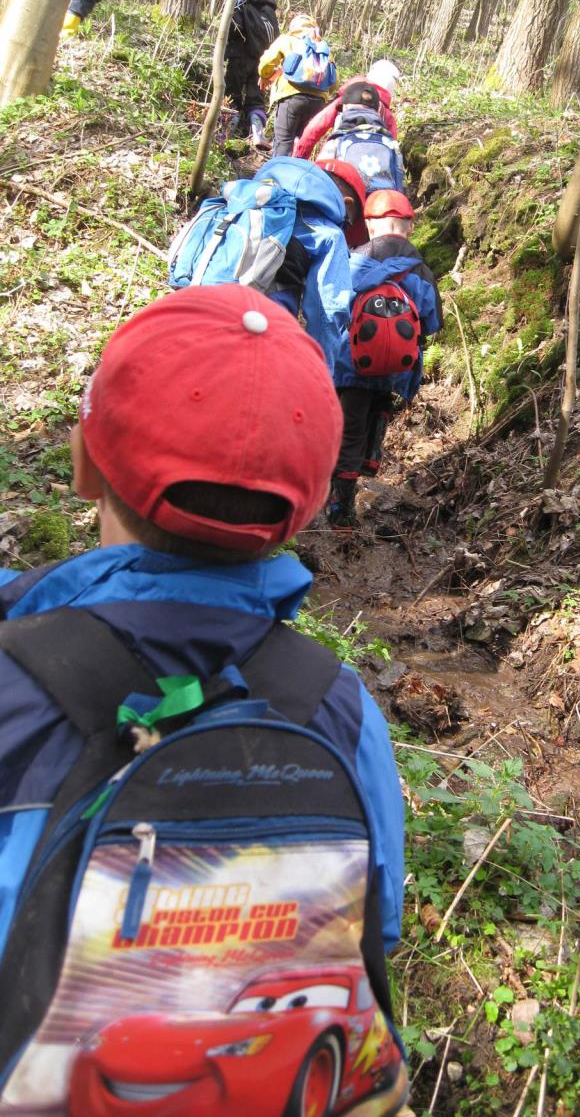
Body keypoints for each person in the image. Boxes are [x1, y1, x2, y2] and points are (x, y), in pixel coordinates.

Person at [0, 286, 405, 962]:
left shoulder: (14, 674)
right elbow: (376, 926)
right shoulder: (340, 708)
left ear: (84, 463)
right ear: (298, 514)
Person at [326, 190, 442, 531]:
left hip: (353, 363)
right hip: (395, 368)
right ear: (409, 226)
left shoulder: (353, 260)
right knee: (379, 402)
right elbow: (432, 322)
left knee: (348, 430)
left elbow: (334, 308)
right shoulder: (420, 268)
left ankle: (340, 511)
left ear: (370, 225)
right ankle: (372, 452)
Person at [258, 14, 336, 157]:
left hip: (290, 96)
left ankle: (276, 176)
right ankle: (298, 175)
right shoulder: (323, 46)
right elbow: (333, 81)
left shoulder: (287, 40)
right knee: (303, 143)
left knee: (284, 140)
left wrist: (264, 76)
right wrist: (322, 94)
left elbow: (267, 62)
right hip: (318, 101)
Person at [293, 59, 401, 161]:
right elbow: (392, 149)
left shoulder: (347, 100)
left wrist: (299, 157)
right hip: (370, 169)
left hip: (335, 161)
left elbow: (315, 128)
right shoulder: (387, 115)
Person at [224, 0, 279, 148]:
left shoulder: (241, 3)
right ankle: (257, 134)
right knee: (256, 97)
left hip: (239, 58)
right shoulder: (269, 9)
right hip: (262, 61)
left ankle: (227, 132)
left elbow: (233, 30)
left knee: (232, 94)